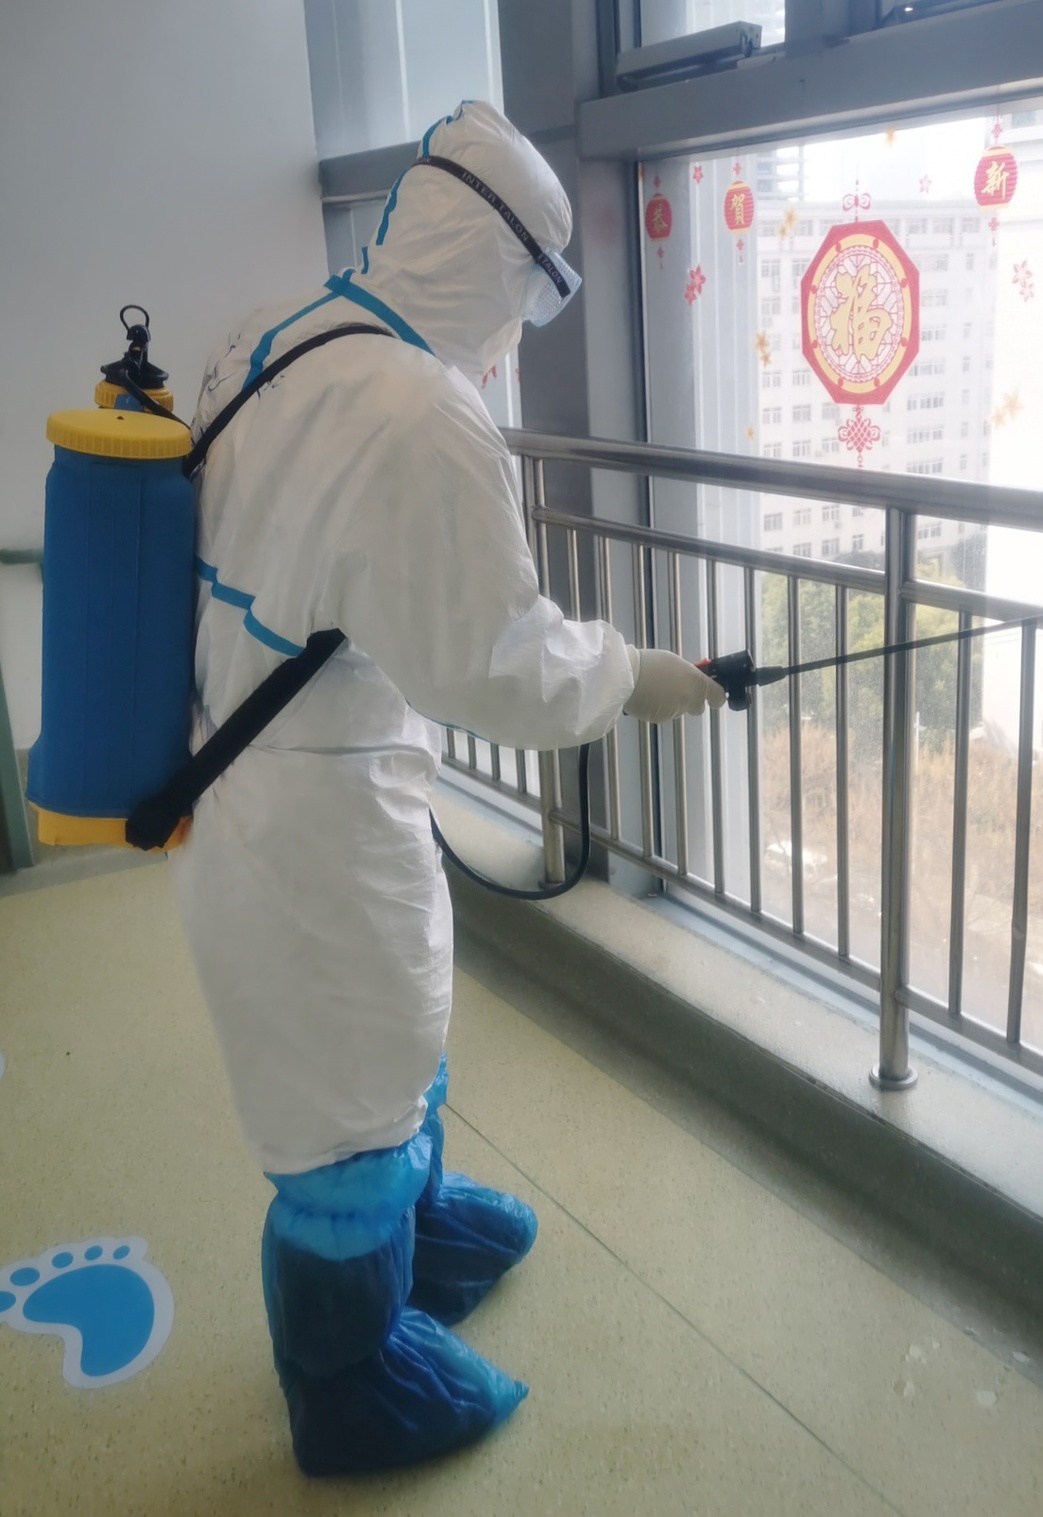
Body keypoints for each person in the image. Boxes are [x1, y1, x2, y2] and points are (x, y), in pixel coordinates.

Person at [171, 99, 725, 1477]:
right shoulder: (421, 416)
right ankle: (348, 1379)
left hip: (281, 775)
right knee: (346, 1095)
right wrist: (635, 673)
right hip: (312, 823)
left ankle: (411, 1233)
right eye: (524, 311)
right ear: (495, 267)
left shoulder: (274, 335)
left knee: (396, 1033)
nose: (512, 344)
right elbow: (500, 666)